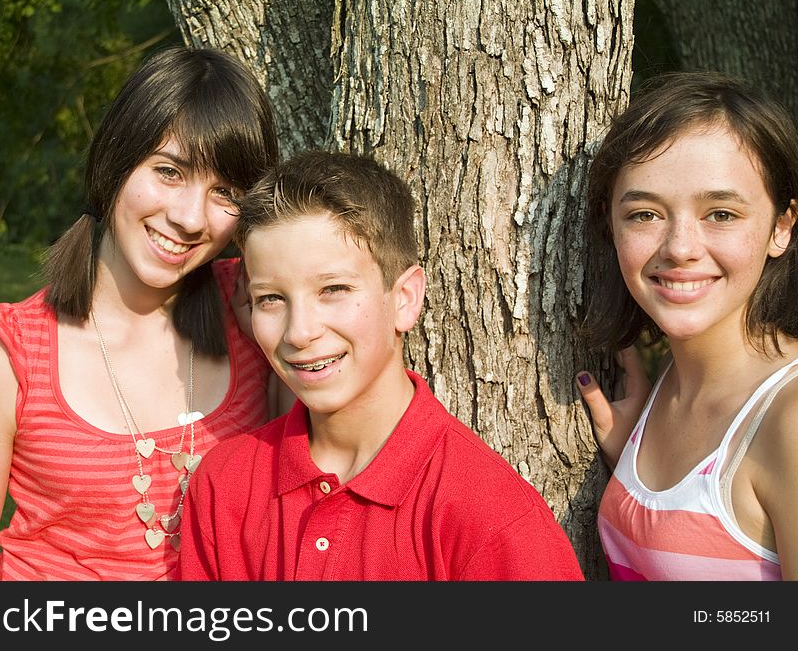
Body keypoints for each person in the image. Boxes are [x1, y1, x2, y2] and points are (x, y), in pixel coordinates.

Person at [0, 45, 286, 581]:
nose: (188, 217)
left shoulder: (259, 316)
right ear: (117, 158)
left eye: (224, 192)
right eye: (168, 171)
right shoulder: (5, 358)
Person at [177, 150, 585, 581]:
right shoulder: (225, 486)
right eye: (271, 299)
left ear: (405, 299)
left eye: (333, 289)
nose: (299, 332)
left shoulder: (490, 517)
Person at [575, 71, 798, 580]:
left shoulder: (789, 420)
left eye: (720, 214)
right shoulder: (666, 393)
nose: (679, 247)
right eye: (645, 214)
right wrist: (635, 471)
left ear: (780, 227)